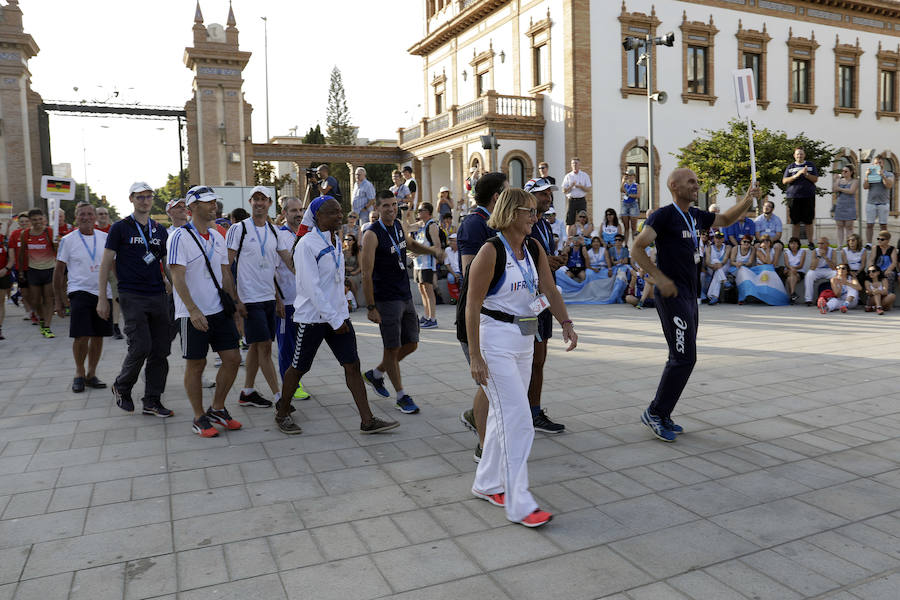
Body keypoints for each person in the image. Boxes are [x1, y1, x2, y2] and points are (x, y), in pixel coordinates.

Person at [465, 187, 576, 528]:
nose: (535, 216)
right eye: (529, 211)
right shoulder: (490, 251)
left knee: (503, 419)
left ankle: (486, 483)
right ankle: (520, 502)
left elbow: (549, 288)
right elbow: (471, 305)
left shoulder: (533, 248)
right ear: (512, 213)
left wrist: (566, 323)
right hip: (495, 340)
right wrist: (475, 356)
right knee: (519, 420)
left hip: (524, 338)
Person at [632, 168, 759, 442]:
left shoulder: (695, 216)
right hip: (673, 296)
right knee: (684, 357)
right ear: (674, 186)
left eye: (697, 182)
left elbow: (724, 219)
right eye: (691, 182)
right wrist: (659, 279)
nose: (696, 185)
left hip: (691, 296)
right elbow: (637, 248)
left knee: (682, 357)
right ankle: (655, 412)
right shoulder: (663, 216)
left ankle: (663, 413)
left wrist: (748, 200)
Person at [275, 196, 399, 436]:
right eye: (333, 213)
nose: (340, 216)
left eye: (340, 212)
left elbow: (332, 281)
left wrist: (341, 312)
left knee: (352, 365)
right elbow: (312, 288)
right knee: (299, 367)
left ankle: (367, 420)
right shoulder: (306, 245)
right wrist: (334, 319)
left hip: (338, 317)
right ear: (318, 217)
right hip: (313, 318)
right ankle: (282, 412)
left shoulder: (334, 240)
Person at [168, 186, 244, 437]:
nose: (214, 206)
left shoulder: (218, 236)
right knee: (196, 364)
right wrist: (192, 310)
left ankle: (218, 408)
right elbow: (177, 276)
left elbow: (224, 274)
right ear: (192, 207)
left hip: (218, 310)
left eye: (215, 202)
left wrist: (234, 304)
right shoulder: (180, 236)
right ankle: (199, 417)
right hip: (192, 314)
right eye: (208, 202)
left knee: (233, 358)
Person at [360, 190, 439, 415]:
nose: (391, 209)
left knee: (412, 343)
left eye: (394, 205)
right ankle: (401, 396)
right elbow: (366, 274)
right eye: (386, 205)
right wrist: (371, 307)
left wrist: (432, 251)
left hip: (405, 295)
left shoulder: (399, 225)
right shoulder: (371, 234)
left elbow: (411, 244)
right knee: (392, 348)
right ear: (377, 207)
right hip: (386, 299)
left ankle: (376, 374)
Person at [98, 182, 172, 417]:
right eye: (140, 197)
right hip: (132, 294)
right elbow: (106, 263)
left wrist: (177, 289)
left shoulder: (159, 230)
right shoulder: (121, 228)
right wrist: (103, 298)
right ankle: (122, 385)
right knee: (141, 345)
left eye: (149, 196)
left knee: (161, 349)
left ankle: (152, 400)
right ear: (131, 199)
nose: (145, 200)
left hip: (157, 294)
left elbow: (166, 264)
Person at [226, 185, 294, 409]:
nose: (259, 203)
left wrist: (278, 297)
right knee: (264, 346)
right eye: (255, 199)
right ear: (250, 203)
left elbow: (287, 263)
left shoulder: (275, 231)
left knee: (256, 346)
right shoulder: (239, 229)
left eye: (263, 199)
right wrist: (236, 300)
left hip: (268, 298)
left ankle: (247, 392)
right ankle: (279, 397)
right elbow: (226, 266)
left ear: (270, 204)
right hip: (249, 299)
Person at [456, 172, 508, 461]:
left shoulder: (498, 223)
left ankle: (476, 416)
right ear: (497, 197)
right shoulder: (474, 224)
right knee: (489, 383)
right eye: (507, 192)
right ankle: (483, 444)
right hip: (480, 315)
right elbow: (468, 273)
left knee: (493, 384)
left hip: (501, 317)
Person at [523, 177, 568, 435]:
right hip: (526, 304)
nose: (548, 198)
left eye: (549, 194)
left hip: (541, 302)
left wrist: (555, 261)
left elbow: (542, 263)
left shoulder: (542, 225)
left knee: (538, 359)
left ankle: (534, 411)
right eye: (542, 194)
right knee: (526, 358)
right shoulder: (523, 225)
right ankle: (524, 411)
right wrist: (547, 263)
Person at [53, 202, 113, 392]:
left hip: (103, 292)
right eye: (82, 215)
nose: (86, 217)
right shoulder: (68, 240)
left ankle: (91, 374)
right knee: (81, 335)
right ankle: (79, 372)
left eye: (89, 214)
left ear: (95, 217)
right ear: (76, 218)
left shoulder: (106, 238)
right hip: (79, 291)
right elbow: (59, 272)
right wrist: (59, 300)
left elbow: (116, 267)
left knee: (98, 336)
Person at [274, 197, 310, 401]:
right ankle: (291, 385)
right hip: (286, 302)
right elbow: (272, 270)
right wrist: (277, 298)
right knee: (286, 346)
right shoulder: (279, 236)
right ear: (284, 213)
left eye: (301, 210)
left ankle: (296, 380)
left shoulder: (307, 235)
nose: (298, 213)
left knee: (301, 345)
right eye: (293, 210)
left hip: (304, 302)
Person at [13, 208, 57, 338]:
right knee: (36, 301)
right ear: (30, 221)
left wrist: (57, 244)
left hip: (49, 270)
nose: (38, 222)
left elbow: (57, 251)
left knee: (49, 299)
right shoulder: (25, 234)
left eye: (40, 219)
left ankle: (47, 327)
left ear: (44, 219)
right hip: (33, 271)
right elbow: (21, 254)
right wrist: (21, 271)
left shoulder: (50, 232)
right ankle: (42, 318)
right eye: (34, 220)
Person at [412, 202, 443, 328]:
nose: (418, 212)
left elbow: (437, 246)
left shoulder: (432, 225)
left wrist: (419, 252)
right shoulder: (421, 225)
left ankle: (433, 318)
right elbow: (406, 227)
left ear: (427, 212)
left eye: (421, 210)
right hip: (418, 264)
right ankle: (426, 315)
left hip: (427, 263)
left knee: (429, 291)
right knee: (422, 290)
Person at [782, 147, 819, 246]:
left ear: (804, 155)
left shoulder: (810, 165)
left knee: (808, 221)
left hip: (808, 196)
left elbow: (815, 179)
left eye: (801, 154)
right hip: (793, 197)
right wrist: (796, 175)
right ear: (794, 155)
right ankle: (795, 243)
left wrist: (806, 174)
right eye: (797, 154)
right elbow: (784, 181)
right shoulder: (790, 167)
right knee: (795, 221)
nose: (799, 156)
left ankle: (810, 242)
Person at [863, 155, 894, 246]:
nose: (878, 164)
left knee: (883, 225)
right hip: (871, 203)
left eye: (880, 162)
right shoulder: (871, 174)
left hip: (883, 203)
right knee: (869, 224)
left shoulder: (889, 174)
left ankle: (883, 243)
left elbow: (889, 185)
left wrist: (882, 176)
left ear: (883, 163)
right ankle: (869, 243)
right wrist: (867, 176)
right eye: (876, 163)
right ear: (874, 164)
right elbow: (865, 187)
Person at [804, 237, 838, 306]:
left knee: (836, 274)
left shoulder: (832, 251)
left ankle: (837, 296)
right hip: (818, 270)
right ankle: (808, 299)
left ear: (827, 244)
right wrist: (819, 256)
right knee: (809, 275)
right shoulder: (815, 251)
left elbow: (834, 267)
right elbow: (812, 267)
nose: (820, 245)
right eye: (818, 243)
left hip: (829, 270)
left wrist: (825, 256)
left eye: (822, 243)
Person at [832, 165, 858, 248]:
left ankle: (849, 245)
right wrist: (835, 180)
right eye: (842, 171)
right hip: (840, 205)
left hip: (850, 206)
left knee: (849, 227)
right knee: (839, 226)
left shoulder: (854, 181)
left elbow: (851, 191)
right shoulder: (839, 180)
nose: (843, 173)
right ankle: (839, 245)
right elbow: (834, 189)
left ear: (851, 172)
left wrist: (840, 189)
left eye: (846, 171)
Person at [562, 157, 592, 226]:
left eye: (576, 163)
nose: (574, 165)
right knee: (569, 220)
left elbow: (588, 189)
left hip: (581, 200)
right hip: (571, 200)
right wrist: (571, 186)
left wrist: (581, 187)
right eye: (573, 163)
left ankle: (583, 234)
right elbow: (564, 190)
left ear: (579, 164)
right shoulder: (568, 176)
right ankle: (569, 236)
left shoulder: (584, 175)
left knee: (583, 219)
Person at [754, 200, 783, 265]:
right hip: (761, 240)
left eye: (769, 206)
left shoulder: (777, 219)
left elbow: (778, 235)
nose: (766, 208)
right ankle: (762, 264)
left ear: (772, 209)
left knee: (778, 246)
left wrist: (769, 241)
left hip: (773, 240)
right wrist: (764, 242)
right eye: (765, 206)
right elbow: (757, 235)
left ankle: (774, 265)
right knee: (756, 245)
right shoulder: (758, 220)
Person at [704, 231, 730, 305]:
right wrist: (714, 266)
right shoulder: (709, 248)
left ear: (723, 239)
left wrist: (719, 265)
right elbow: (708, 262)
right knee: (715, 262)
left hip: (723, 269)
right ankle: (724, 281)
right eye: (716, 238)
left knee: (717, 273)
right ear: (714, 239)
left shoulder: (727, 247)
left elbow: (725, 260)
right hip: (712, 269)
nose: (718, 240)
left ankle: (713, 296)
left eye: (720, 238)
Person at [782, 237, 807, 304]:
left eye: (795, 243)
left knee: (790, 279)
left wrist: (792, 268)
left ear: (798, 244)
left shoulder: (802, 252)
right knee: (792, 274)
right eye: (791, 243)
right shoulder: (786, 253)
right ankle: (793, 294)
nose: (793, 245)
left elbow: (801, 265)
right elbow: (787, 264)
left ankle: (792, 295)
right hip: (789, 270)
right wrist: (792, 269)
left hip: (799, 271)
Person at [621, 171, 640, 244]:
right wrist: (623, 181)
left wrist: (629, 195)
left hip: (633, 205)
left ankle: (634, 245)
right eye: (629, 175)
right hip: (625, 204)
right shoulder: (625, 184)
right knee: (626, 227)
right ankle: (626, 245)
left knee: (633, 227)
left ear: (634, 176)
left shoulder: (636, 185)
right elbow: (621, 190)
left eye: (632, 175)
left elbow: (638, 195)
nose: (630, 177)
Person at [444, 233, 461, 302]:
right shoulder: (447, 250)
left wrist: (460, 274)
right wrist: (454, 274)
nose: (450, 242)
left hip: (461, 271)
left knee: (463, 278)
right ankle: (454, 298)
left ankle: (461, 297)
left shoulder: (461, 249)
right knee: (450, 278)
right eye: (450, 240)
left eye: (453, 240)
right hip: (453, 271)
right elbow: (447, 264)